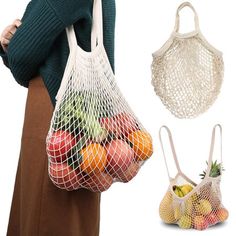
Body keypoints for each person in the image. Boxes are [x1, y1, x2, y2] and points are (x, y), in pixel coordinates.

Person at [0, 0, 115, 235]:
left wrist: (9, 46)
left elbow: (21, 56)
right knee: (77, 217)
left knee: (44, 212)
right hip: (90, 119)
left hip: (54, 111)